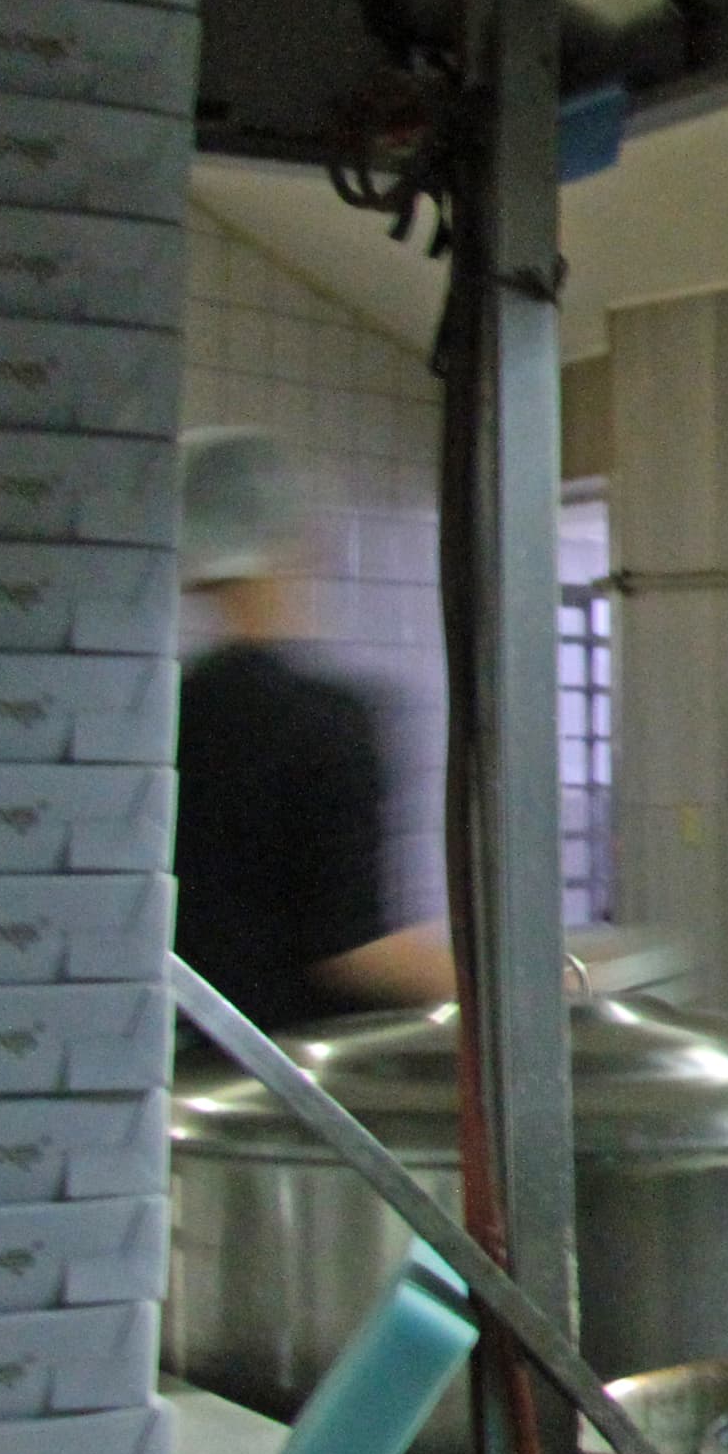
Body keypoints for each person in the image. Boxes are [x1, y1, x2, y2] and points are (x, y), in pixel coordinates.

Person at [172, 427, 458, 1032]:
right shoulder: (325, 719)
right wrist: (542, 987)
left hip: (182, 1056)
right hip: (291, 1066)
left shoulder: (170, 709)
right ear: (298, 544)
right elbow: (355, 955)